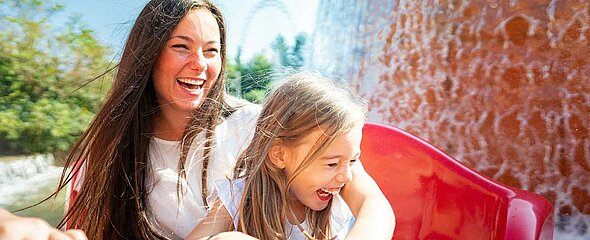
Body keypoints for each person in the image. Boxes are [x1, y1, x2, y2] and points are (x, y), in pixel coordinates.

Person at [1, 0, 394, 239]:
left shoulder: (263, 128)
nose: (200, 65)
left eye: (211, 50)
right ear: (149, 54)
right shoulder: (115, 151)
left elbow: (373, 203)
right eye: (181, 47)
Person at [188, 73, 392, 240]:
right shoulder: (239, 195)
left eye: (353, 160)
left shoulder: (343, 175)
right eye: (331, 163)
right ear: (279, 155)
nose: (346, 175)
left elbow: (377, 209)